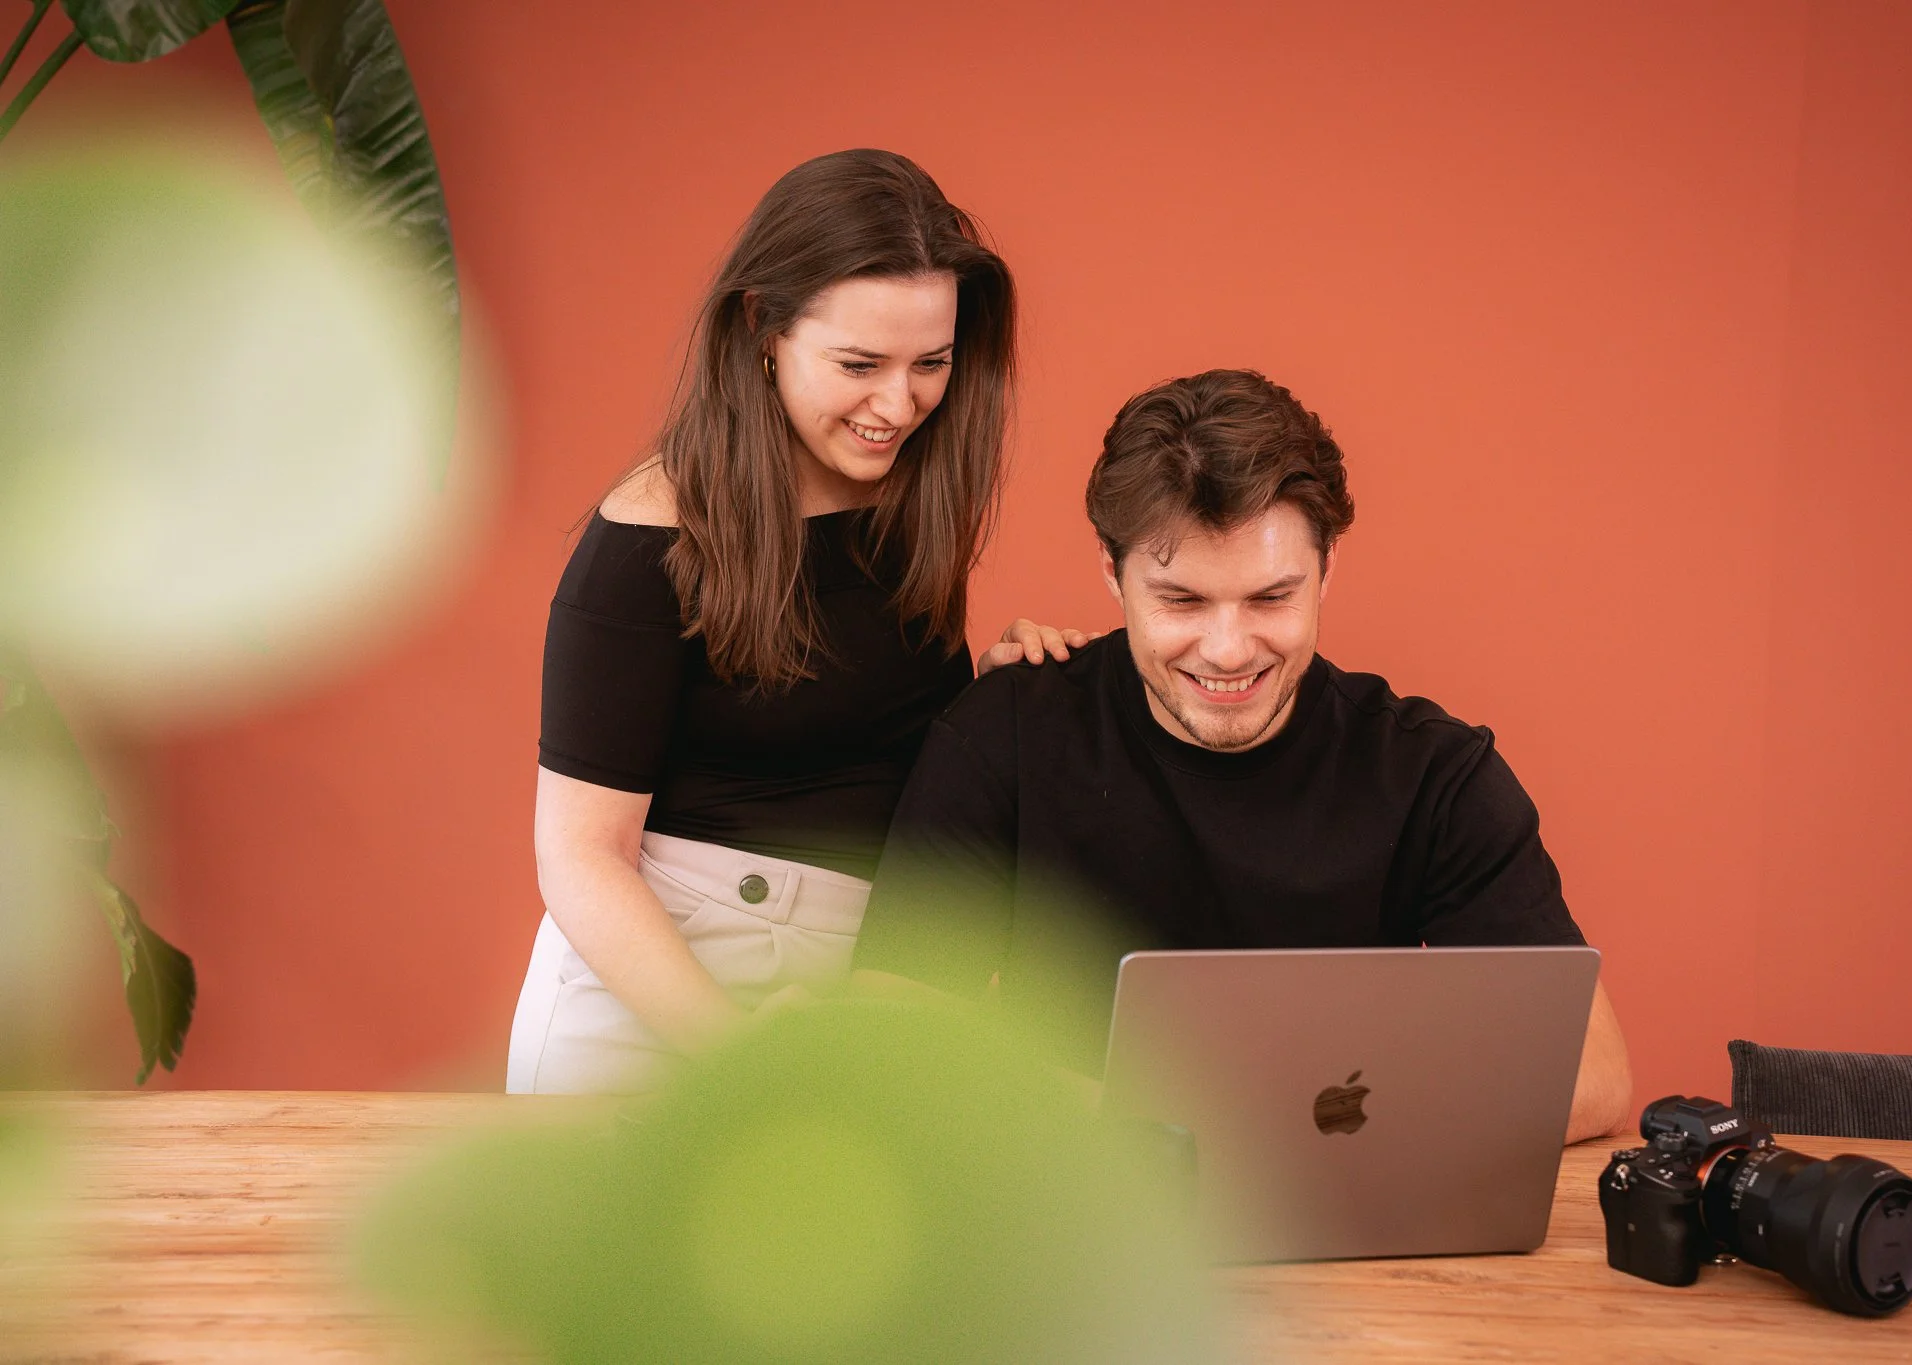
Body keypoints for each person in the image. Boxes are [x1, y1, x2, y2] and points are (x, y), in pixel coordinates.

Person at [852, 368, 1633, 1142]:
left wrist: (1318, 1136)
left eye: (1270, 598)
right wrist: (1191, 1132)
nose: (1228, 651)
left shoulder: (1433, 773)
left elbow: (1593, 1072)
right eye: (1181, 600)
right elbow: (892, 1035)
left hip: (1348, 1218)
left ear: (1327, 570)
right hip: (1072, 1219)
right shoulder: (1006, 731)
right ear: (1110, 571)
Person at [507, 150, 1089, 1094]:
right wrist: (738, 1052)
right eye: (859, 364)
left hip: (852, 998)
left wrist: (988, 708)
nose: (898, 405)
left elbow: (850, 736)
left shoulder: (910, 501)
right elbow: (580, 856)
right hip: (658, 1006)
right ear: (762, 328)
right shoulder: (649, 536)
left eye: (931, 364)